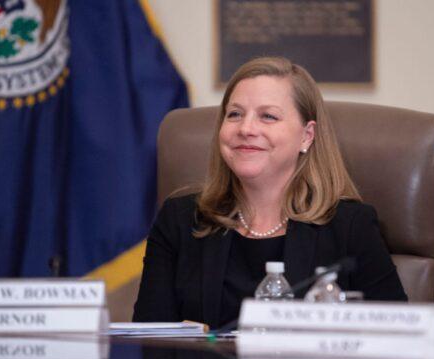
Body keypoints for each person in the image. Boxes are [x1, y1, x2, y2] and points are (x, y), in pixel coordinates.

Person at [133, 57, 407, 329]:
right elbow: (148, 345)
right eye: (235, 114)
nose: (246, 129)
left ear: (306, 136)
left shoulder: (350, 227)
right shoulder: (180, 220)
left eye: (268, 116)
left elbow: (398, 340)